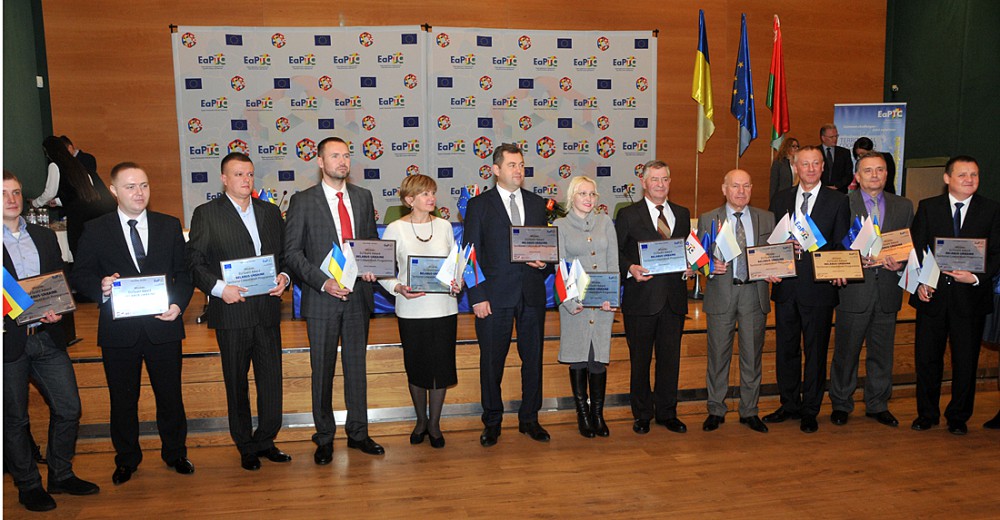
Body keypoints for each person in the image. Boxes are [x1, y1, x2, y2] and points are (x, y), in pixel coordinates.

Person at [70, 162, 194, 484]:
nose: (139, 193)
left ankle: (176, 453)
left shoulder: (169, 225)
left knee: (170, 396)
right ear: (113, 191)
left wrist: (178, 305)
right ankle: (126, 459)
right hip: (119, 332)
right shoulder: (96, 229)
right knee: (123, 401)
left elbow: (184, 273)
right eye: (130, 187)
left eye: (144, 185)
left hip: (163, 326)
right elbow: (80, 274)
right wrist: (100, 287)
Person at [186, 153, 292, 470]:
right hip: (231, 313)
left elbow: (285, 256)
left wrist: (284, 277)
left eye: (249, 174)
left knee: (271, 381)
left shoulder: (269, 212)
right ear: (224, 179)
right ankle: (245, 445)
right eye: (238, 174)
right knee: (237, 383)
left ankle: (266, 440)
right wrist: (220, 289)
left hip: (267, 311)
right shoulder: (206, 214)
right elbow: (195, 263)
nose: (246, 180)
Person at [283, 136, 384, 461]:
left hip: (357, 296)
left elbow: (370, 242)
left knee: (356, 369)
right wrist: (323, 282)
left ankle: (359, 433)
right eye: (335, 156)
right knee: (322, 370)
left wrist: (372, 267)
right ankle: (324, 436)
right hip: (321, 298)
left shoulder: (363, 196)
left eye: (346, 155)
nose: (343, 161)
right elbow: (292, 253)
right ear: (320, 161)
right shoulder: (303, 201)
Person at [4, 170, 99, 512]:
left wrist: (59, 309)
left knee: (69, 408)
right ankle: (28, 484)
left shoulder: (44, 237)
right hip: (7, 344)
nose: (12, 199)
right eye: (4, 193)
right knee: (14, 419)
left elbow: (58, 281)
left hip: (47, 337)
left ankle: (61, 474)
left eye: (16, 192)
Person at [464, 143, 553, 447]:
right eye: (512, 165)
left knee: (533, 360)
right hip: (493, 297)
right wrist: (477, 296)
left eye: (521, 165)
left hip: (531, 294)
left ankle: (530, 418)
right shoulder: (479, 205)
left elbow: (545, 248)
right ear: (496, 169)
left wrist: (544, 263)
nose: (518, 170)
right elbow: (470, 254)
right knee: (492, 362)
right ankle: (492, 421)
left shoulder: (538, 203)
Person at [910, 155, 1000, 435]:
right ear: (947, 178)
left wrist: (976, 277)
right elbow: (916, 249)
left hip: (970, 298)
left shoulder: (992, 210)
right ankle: (927, 414)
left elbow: (997, 253)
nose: (969, 179)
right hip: (932, 296)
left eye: (974, 174)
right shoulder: (928, 207)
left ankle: (958, 416)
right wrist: (921, 282)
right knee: (927, 360)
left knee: (965, 361)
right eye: (962, 175)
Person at [765, 145, 850, 433]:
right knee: (786, 350)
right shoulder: (780, 199)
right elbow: (771, 242)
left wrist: (838, 268)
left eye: (816, 163)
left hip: (819, 288)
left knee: (815, 352)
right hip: (786, 287)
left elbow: (841, 243)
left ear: (823, 167)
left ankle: (811, 409)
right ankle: (789, 404)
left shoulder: (838, 201)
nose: (811, 169)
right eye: (805, 164)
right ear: (796, 167)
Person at [829, 153, 914, 428]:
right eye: (868, 170)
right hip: (854, 290)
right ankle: (841, 403)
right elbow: (834, 245)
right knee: (846, 353)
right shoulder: (843, 203)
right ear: (857, 176)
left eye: (880, 170)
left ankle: (878, 404)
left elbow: (910, 246)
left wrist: (901, 263)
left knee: (882, 353)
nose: (874, 175)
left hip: (888, 290)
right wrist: (849, 263)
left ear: (887, 174)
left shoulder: (904, 206)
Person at [379, 174, 460, 449]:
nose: (432, 198)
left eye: (433, 192)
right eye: (425, 193)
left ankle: (434, 424)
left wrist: (457, 281)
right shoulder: (395, 229)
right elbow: (384, 272)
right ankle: (420, 421)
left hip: (444, 309)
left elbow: (455, 265)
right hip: (411, 310)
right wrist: (398, 287)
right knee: (416, 367)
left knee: (441, 369)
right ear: (409, 200)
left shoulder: (445, 226)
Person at [615, 160, 692, 435]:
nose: (660, 184)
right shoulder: (627, 214)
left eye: (665, 179)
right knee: (640, 362)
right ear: (644, 183)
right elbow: (616, 252)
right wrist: (630, 268)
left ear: (670, 182)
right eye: (655, 179)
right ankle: (642, 414)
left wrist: (691, 265)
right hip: (641, 300)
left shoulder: (682, 213)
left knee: (670, 361)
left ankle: (667, 413)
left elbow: (688, 249)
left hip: (673, 300)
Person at [697, 169, 776, 434]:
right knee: (717, 356)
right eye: (735, 186)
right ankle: (715, 409)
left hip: (754, 294)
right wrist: (709, 266)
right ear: (724, 189)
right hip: (722, 293)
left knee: (752, 357)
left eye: (746, 186)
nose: (741, 191)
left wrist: (777, 267)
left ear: (752, 188)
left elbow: (774, 254)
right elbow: (698, 258)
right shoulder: (708, 218)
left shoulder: (766, 218)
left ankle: (750, 410)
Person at [553, 176, 618, 438]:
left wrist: (612, 297)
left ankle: (597, 414)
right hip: (575, 304)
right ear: (572, 197)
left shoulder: (605, 222)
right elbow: (559, 267)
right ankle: (582, 415)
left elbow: (613, 262)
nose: (588, 199)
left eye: (592, 194)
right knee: (579, 358)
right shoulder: (560, 225)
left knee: (598, 359)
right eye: (583, 194)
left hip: (602, 304)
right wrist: (570, 303)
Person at [35, 136, 116, 256]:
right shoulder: (76, 162)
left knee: (78, 248)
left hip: (76, 214)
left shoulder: (54, 165)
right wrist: (58, 201)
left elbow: (50, 192)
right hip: (92, 210)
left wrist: (36, 203)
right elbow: (83, 187)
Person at [819, 124, 853, 193]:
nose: (835, 139)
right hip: (819, 191)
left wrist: (837, 186)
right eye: (831, 137)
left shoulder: (844, 153)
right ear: (823, 138)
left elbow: (849, 175)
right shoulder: (815, 152)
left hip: (840, 191)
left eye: (836, 136)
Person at [769, 137, 799, 201]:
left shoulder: (800, 163)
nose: (796, 148)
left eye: (797, 146)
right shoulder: (779, 162)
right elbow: (774, 184)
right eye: (793, 146)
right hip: (782, 197)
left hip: (796, 197)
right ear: (787, 147)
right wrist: (773, 200)